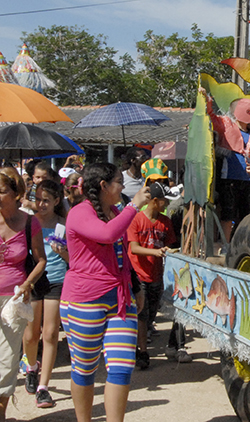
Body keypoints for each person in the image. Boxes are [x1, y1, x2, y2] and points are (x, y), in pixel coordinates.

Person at [60, 163, 149, 422]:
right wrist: (134, 205)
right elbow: (107, 235)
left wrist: (136, 288)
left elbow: (124, 254)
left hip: (121, 300)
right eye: (119, 182)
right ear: (103, 186)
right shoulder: (79, 213)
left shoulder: (115, 211)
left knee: (122, 369)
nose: (123, 187)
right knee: (85, 369)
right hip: (84, 301)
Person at [0, 167, 46, 421]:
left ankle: (2, 413)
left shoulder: (30, 222)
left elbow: (40, 260)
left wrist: (28, 284)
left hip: (14, 300)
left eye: (2, 191)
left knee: (7, 359)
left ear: (16, 194)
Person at [22, 179, 67, 408]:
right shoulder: (29, 223)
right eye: (37, 199)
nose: (41, 204)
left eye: (46, 200)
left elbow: (73, 260)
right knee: (31, 335)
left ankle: (43, 387)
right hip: (33, 280)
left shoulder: (64, 224)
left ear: (57, 201)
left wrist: (64, 252)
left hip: (57, 281)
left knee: (49, 334)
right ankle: (31, 367)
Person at [200, 87, 250, 242]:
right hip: (228, 179)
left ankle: (244, 244)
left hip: (248, 181)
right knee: (228, 213)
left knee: (247, 214)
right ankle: (226, 245)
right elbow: (211, 117)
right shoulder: (226, 124)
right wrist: (207, 99)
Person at [127, 181, 178, 370]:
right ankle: (142, 351)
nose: (166, 204)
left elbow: (171, 244)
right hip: (139, 274)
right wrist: (156, 252)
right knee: (142, 313)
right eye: (164, 201)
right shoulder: (136, 220)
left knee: (151, 313)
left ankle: (139, 344)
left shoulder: (165, 222)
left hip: (157, 275)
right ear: (155, 201)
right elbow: (133, 247)